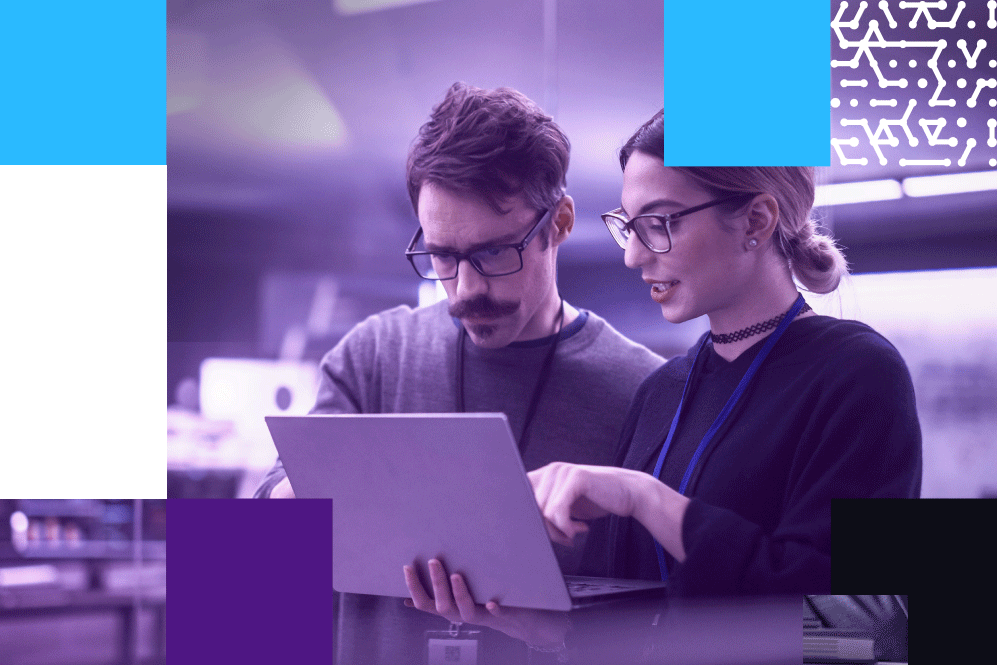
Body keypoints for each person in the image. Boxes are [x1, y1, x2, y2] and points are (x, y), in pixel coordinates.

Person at [405, 110, 922, 660]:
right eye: (629, 225)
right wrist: (546, 625)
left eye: (661, 223)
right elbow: (650, 622)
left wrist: (645, 498)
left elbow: (866, 633)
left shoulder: (859, 373)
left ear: (756, 221)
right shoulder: (663, 392)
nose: (633, 255)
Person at [254, 84, 665, 664]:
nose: (466, 289)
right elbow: (269, 511)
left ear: (560, 223)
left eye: (495, 254)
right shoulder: (374, 355)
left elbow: (664, 625)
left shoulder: (646, 391)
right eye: (442, 255)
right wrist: (297, 499)